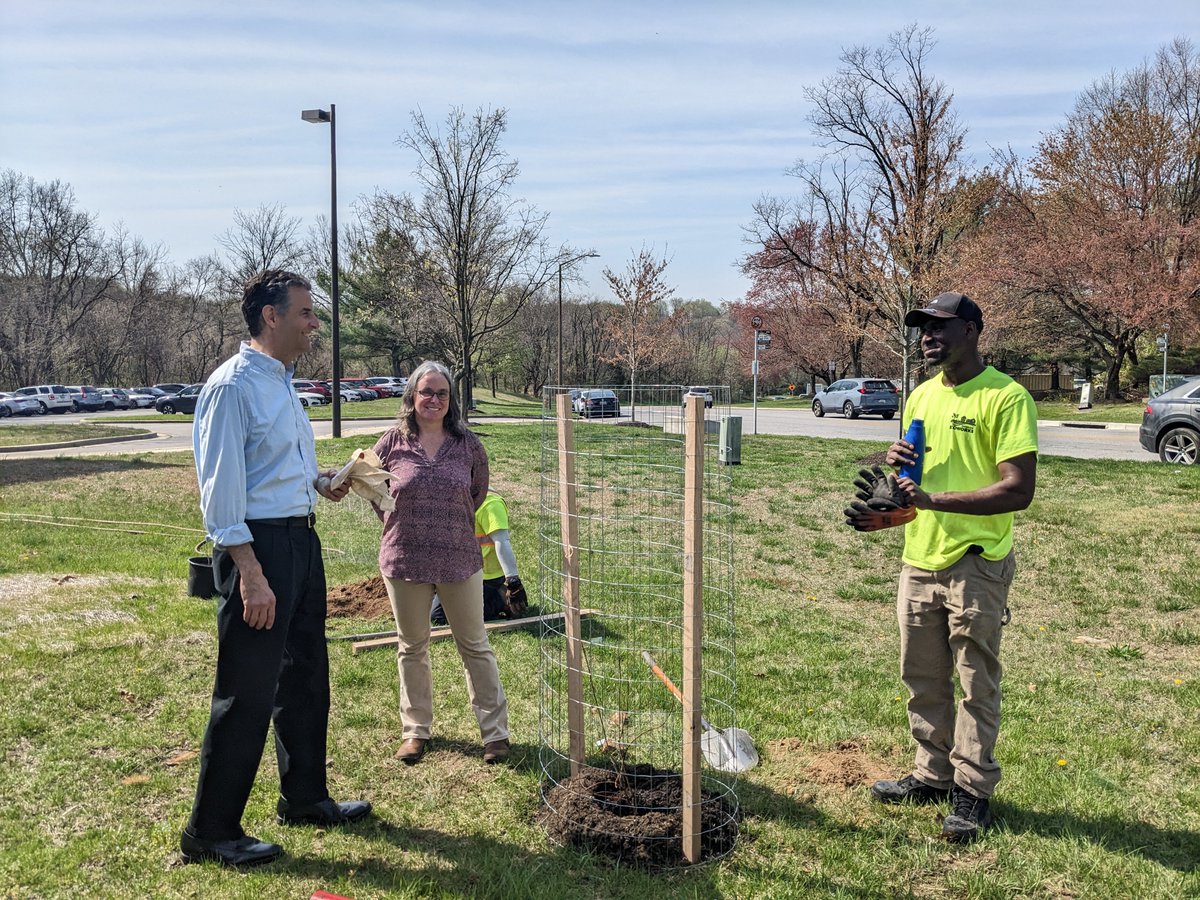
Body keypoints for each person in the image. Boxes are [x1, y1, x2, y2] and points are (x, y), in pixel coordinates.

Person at [181, 270, 371, 868]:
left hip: (301, 542)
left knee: (306, 676)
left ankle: (305, 796)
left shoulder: (285, 385)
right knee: (247, 689)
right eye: (307, 314)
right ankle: (210, 830)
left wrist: (323, 482)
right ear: (271, 316)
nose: (316, 324)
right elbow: (222, 492)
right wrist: (251, 574)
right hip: (256, 551)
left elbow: (279, 469)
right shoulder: (232, 387)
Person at [870, 292, 1038, 843]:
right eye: (923, 328)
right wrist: (890, 479)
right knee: (920, 677)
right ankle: (932, 773)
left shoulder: (1006, 398)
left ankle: (972, 791)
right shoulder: (919, 395)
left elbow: (1019, 491)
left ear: (971, 330)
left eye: (939, 327)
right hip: (918, 556)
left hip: (975, 563)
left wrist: (933, 500)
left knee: (974, 683)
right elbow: (914, 475)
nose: (927, 336)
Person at [372, 360, 511, 766]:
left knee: (475, 645)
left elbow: (478, 493)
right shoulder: (392, 443)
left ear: (451, 401)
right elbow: (370, 483)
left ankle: (495, 734)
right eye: (426, 392)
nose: (433, 399)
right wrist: (395, 518)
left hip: (459, 558)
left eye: (442, 393)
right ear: (412, 396)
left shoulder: (468, 444)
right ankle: (415, 732)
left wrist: (448, 521)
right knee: (411, 647)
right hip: (404, 558)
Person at [431, 491, 529, 626]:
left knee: (449, 618)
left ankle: (500, 599)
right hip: (463, 573)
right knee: (437, 616)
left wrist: (514, 582)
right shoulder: (457, 498)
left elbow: (502, 542)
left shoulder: (490, 504)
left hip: (487, 577)